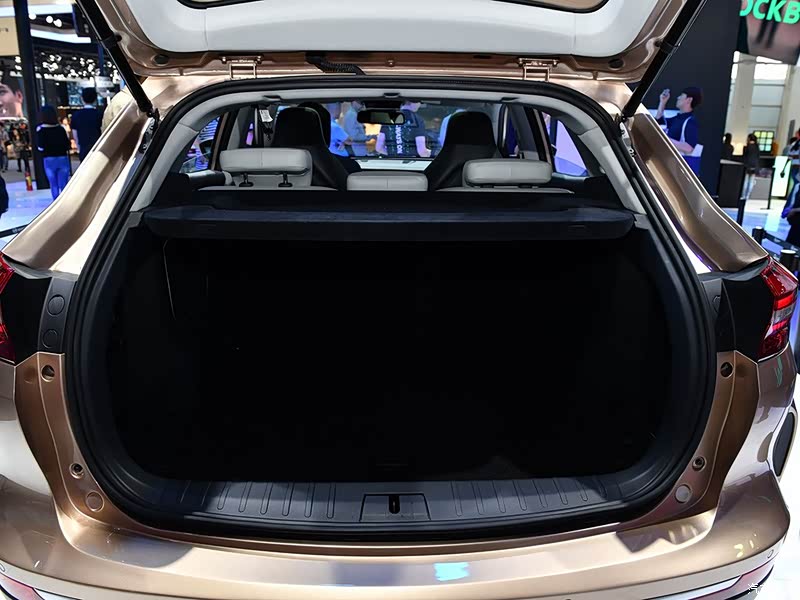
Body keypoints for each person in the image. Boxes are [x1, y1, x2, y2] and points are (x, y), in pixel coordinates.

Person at [656, 87, 703, 173]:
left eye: (681, 95)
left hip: (680, 170)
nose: (678, 98)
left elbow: (689, 148)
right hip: (672, 168)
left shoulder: (690, 121)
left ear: (689, 100)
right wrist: (662, 102)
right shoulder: (677, 119)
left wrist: (666, 139)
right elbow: (658, 122)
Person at [36, 105, 72, 201]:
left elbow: (40, 147)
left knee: (53, 184)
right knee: (63, 183)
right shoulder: (61, 129)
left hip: (49, 159)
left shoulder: (41, 130)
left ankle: (56, 202)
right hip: (62, 158)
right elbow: (67, 144)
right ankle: (65, 202)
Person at [70, 87, 102, 161]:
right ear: (95, 99)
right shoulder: (99, 114)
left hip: (83, 149)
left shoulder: (76, 115)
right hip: (97, 149)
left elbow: (75, 135)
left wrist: (78, 148)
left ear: (82, 99)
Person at [782, 129, 800, 217]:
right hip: (798, 169)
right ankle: (789, 208)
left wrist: (784, 169)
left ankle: (787, 209)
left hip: (793, 168)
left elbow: (789, 158)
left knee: (795, 188)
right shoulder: (796, 145)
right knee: (796, 189)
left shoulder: (794, 145)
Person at [742, 133, 760, 201]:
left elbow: (744, 156)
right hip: (755, 165)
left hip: (747, 165)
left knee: (745, 181)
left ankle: (743, 196)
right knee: (751, 182)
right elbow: (758, 157)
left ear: (749, 138)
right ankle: (747, 196)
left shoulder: (746, 147)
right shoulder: (757, 147)